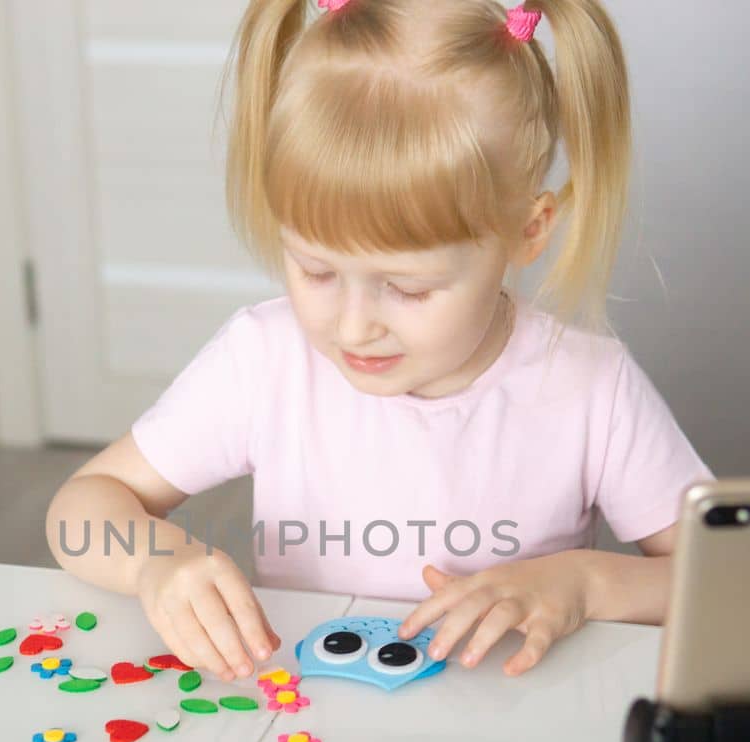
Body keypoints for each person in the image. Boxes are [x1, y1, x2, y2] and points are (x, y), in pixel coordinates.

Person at [47, 0, 709, 682]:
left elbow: (727, 579)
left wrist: (583, 586)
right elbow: (82, 508)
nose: (354, 325)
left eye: (410, 288)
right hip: (312, 721)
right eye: (316, 270)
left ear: (527, 231)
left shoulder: (588, 387)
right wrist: (156, 562)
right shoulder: (264, 359)